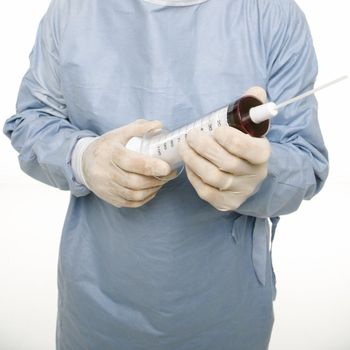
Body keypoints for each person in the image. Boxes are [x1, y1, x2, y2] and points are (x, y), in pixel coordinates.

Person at [3, 0, 329, 349]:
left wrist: (257, 176)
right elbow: (31, 122)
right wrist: (84, 158)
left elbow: (306, 162)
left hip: (226, 313)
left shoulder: (272, 14)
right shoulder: (73, 10)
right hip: (96, 309)